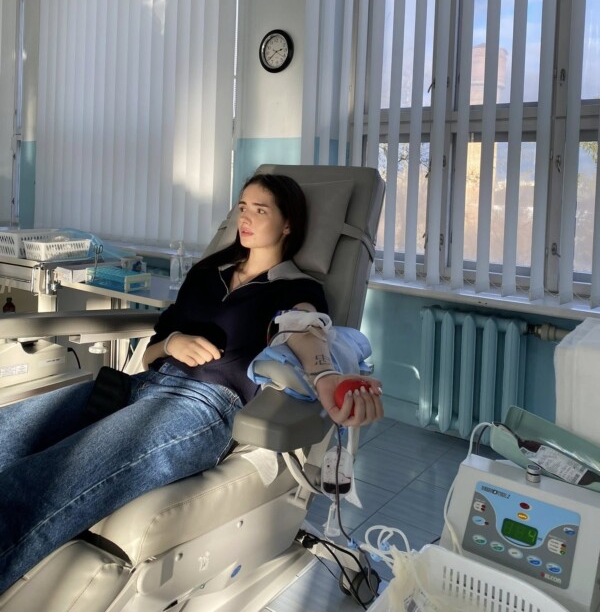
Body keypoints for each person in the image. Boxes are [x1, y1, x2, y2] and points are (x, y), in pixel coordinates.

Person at [0, 173, 383, 593]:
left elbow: (306, 332)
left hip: (202, 405)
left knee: (46, 479)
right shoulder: (207, 273)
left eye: (260, 210)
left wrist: (327, 378)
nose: (246, 218)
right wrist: (172, 343)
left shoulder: (295, 287)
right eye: (242, 207)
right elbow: (152, 349)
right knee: (8, 430)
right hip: (141, 384)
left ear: (288, 224)